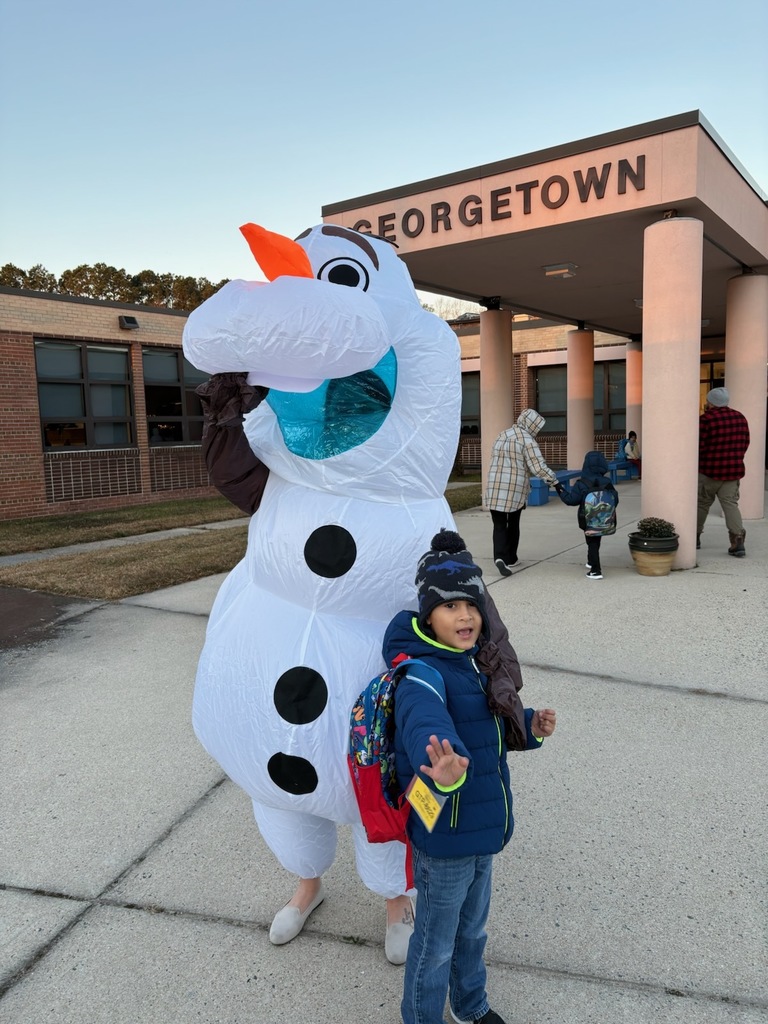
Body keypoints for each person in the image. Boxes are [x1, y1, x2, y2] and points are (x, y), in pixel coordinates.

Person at [385, 530, 556, 1024]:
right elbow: (426, 725)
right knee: (436, 943)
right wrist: (443, 764)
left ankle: (470, 1004)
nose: (465, 616)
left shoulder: (475, 664)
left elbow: (486, 728)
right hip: (445, 836)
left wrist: (529, 727)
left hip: (480, 831)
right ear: (427, 616)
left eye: (472, 605)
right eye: (450, 607)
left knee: (473, 930)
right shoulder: (422, 671)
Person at [485, 409, 559, 576]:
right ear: (532, 425)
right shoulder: (527, 440)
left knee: (498, 525)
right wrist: (554, 480)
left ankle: (499, 557)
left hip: (495, 487)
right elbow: (537, 467)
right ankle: (511, 557)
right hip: (514, 489)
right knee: (513, 523)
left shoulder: (502, 435)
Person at [697, 387, 750, 557]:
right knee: (731, 505)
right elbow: (745, 443)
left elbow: (699, 447)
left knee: (702, 504)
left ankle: (694, 537)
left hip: (709, 471)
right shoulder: (740, 417)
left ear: (710, 401)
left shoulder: (705, 420)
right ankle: (738, 541)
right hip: (732, 471)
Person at [555, 451, 619, 580]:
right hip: (604, 519)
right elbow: (615, 500)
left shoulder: (582, 483)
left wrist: (558, 487)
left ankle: (596, 570)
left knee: (592, 542)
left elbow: (571, 500)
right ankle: (590, 561)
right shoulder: (607, 482)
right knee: (596, 539)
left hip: (587, 518)